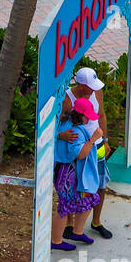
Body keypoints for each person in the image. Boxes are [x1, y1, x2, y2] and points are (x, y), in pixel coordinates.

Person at [57, 66, 114, 238]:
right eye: (91, 87)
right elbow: (55, 123)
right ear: (81, 86)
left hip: (96, 146)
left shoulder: (97, 92)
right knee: (73, 187)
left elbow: (101, 115)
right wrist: (60, 135)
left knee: (100, 184)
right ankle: (69, 224)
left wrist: (105, 140)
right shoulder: (67, 98)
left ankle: (96, 222)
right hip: (78, 149)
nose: (94, 89)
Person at [51, 98, 104, 251]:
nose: (89, 119)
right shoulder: (74, 132)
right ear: (79, 115)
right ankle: (56, 241)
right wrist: (93, 139)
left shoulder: (67, 123)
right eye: (87, 116)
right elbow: (80, 154)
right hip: (68, 176)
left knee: (89, 198)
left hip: (72, 173)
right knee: (64, 207)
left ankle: (77, 231)